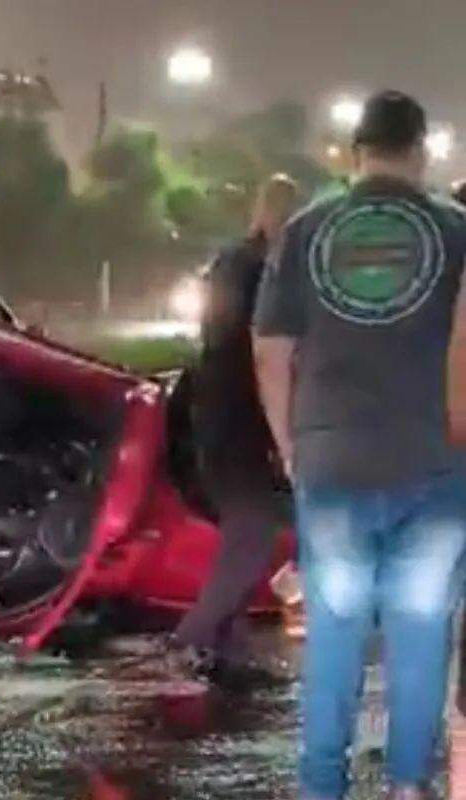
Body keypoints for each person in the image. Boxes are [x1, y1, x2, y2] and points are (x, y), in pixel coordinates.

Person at [255, 90, 466, 800]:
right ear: (421, 150)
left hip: (330, 455)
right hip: (436, 460)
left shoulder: (308, 229)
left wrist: (290, 444)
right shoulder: (457, 229)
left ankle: (323, 788)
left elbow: (270, 349)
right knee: (421, 629)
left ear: (355, 153)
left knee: (336, 632)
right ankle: (408, 784)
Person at [163, 174, 300, 686]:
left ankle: (228, 643)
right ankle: (193, 637)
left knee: (248, 535)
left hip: (217, 412)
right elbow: (265, 352)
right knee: (254, 532)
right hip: (238, 417)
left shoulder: (233, 263)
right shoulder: (263, 271)